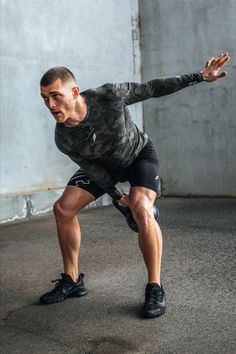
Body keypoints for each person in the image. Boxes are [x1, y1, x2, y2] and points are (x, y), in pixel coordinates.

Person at [39, 52, 230, 318]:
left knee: (141, 208)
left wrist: (199, 76)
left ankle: (155, 287)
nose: (50, 104)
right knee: (63, 208)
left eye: (55, 96)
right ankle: (72, 280)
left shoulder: (110, 95)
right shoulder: (64, 138)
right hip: (106, 167)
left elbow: (152, 88)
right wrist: (120, 203)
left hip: (139, 155)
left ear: (74, 91)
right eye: (45, 98)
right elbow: (96, 172)